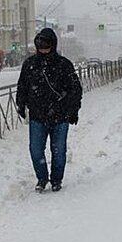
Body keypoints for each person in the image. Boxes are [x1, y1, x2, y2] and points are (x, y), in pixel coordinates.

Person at [16, 28, 83, 192]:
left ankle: (56, 180)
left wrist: (73, 110)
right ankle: (42, 177)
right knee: (35, 150)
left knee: (58, 152)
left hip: (60, 116)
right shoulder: (30, 64)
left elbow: (75, 89)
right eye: (40, 45)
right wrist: (21, 104)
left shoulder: (64, 65)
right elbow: (22, 86)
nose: (43, 48)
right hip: (37, 116)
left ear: (53, 45)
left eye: (46, 45)